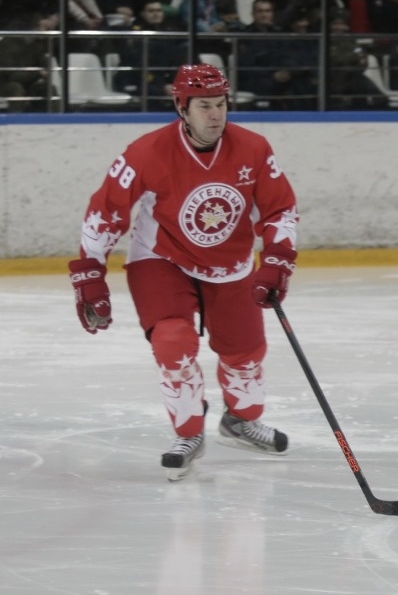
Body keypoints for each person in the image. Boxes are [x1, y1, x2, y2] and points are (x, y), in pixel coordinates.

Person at [68, 63, 298, 481]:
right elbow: (107, 210)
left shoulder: (254, 149)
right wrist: (89, 272)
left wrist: (278, 259)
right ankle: (189, 433)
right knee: (173, 341)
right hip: (162, 258)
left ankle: (240, 422)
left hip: (232, 262)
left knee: (244, 356)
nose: (216, 115)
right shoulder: (146, 152)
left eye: (221, 104)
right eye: (205, 106)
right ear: (182, 108)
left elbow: (279, 207)